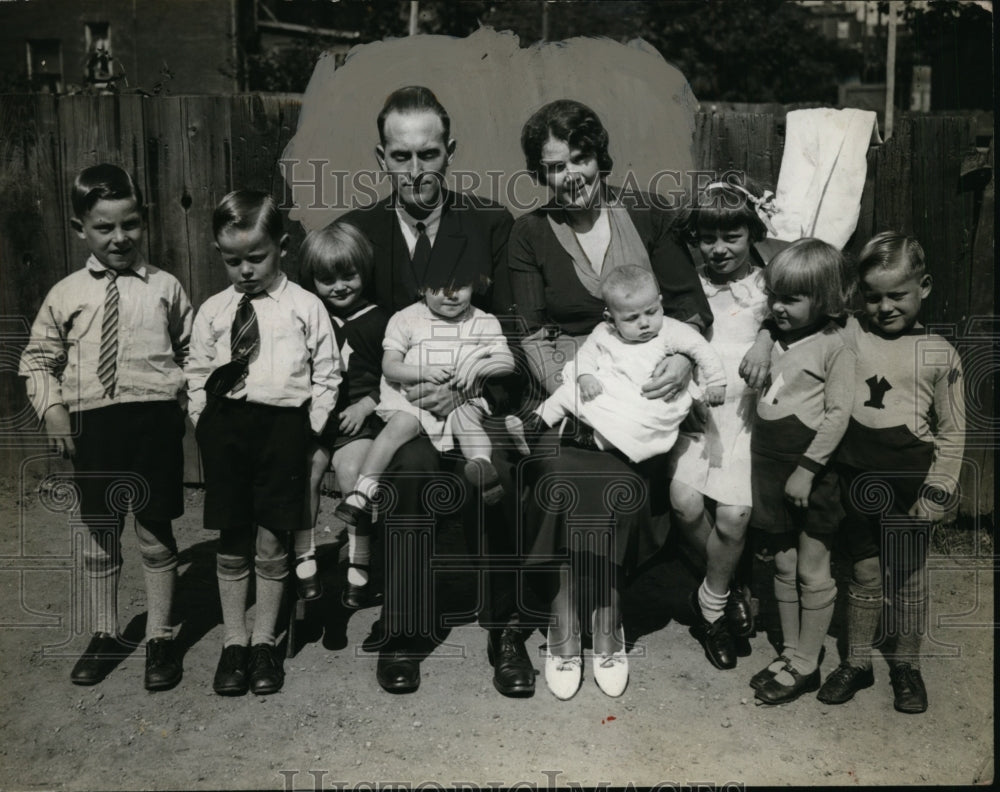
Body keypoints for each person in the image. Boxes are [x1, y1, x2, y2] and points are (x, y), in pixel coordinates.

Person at [508, 99, 713, 700]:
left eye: (580, 157)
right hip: (572, 388)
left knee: (625, 472)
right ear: (539, 174)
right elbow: (531, 331)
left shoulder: (645, 216)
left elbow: (689, 306)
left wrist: (679, 359)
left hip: (650, 385)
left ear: (600, 157)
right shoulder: (529, 233)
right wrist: (576, 395)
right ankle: (576, 620)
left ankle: (606, 614)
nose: (570, 174)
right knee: (573, 478)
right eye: (553, 165)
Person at [340, 86, 534, 697]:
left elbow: (514, 332)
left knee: (499, 468)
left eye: (429, 154)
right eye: (402, 157)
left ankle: (506, 630)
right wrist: (381, 401)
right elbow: (339, 340)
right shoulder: (357, 232)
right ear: (381, 157)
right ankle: (405, 627)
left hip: (475, 400)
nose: (416, 171)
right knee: (411, 467)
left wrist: (479, 393)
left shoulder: (490, 223)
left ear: (450, 152)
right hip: (394, 407)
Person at [19, 163, 192, 691]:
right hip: (92, 424)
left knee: (155, 530)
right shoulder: (66, 293)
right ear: (80, 229)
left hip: (154, 421)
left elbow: (193, 352)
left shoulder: (165, 287)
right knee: (100, 531)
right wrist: (52, 409)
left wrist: (190, 403)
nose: (120, 238)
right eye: (104, 227)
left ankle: (161, 635)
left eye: (131, 224)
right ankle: (105, 632)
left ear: (144, 221)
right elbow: (36, 358)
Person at [186, 190, 339, 696]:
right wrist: (203, 418)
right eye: (233, 260)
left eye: (257, 257)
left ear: (283, 246)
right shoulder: (212, 311)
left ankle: (265, 643)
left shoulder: (305, 307)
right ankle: (235, 640)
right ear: (219, 254)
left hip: (283, 431)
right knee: (232, 537)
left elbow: (328, 373)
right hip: (228, 429)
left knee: (273, 538)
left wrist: (311, 427)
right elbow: (196, 370)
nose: (245, 270)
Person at [817, 232, 965, 714]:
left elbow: (952, 432)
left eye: (896, 294)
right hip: (855, 479)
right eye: (873, 295)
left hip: (908, 485)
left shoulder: (939, 353)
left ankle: (906, 665)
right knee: (862, 572)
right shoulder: (848, 333)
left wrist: (939, 489)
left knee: (906, 577)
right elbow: (804, 307)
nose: (883, 307)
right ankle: (857, 663)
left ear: (924, 286)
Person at [667, 177, 778, 670]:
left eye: (731, 237)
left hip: (747, 416)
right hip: (698, 413)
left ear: (752, 232)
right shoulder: (689, 284)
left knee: (734, 516)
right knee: (685, 503)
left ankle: (709, 607)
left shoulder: (768, 284)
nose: (718, 249)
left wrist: (765, 340)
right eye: (707, 238)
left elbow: (797, 319)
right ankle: (728, 585)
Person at [747, 238, 856, 705]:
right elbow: (770, 324)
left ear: (826, 299)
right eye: (774, 295)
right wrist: (763, 336)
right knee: (782, 562)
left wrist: (808, 471)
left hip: (808, 472)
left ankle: (809, 662)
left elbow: (838, 415)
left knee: (812, 567)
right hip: (768, 467)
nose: (777, 306)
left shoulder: (835, 346)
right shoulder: (776, 333)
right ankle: (790, 652)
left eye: (791, 298)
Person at [335, 269, 516, 527]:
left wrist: (478, 368)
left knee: (467, 422)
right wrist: (424, 372)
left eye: (461, 286)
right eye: (440, 287)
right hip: (411, 399)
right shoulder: (407, 318)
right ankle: (363, 490)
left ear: (475, 285)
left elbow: (506, 360)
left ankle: (482, 468)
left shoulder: (483, 321)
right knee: (401, 426)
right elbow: (390, 367)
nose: (451, 295)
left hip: (463, 397)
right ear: (422, 288)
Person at [528, 264, 726, 463]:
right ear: (611, 320)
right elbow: (585, 355)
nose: (644, 323)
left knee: (638, 430)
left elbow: (701, 348)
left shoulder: (670, 330)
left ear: (660, 303)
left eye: (651, 311)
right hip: (609, 389)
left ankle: (590, 439)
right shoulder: (603, 332)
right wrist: (585, 376)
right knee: (567, 392)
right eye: (632, 318)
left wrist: (716, 381)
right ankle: (534, 424)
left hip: (646, 401)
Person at [298, 220, 389, 608]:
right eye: (326, 279)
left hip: (358, 421)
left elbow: (395, 376)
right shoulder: (307, 316)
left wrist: (368, 403)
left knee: (353, 472)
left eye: (348, 276)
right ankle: (304, 555)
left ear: (363, 272)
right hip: (317, 422)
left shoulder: (381, 319)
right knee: (307, 473)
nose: (339, 287)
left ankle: (359, 561)